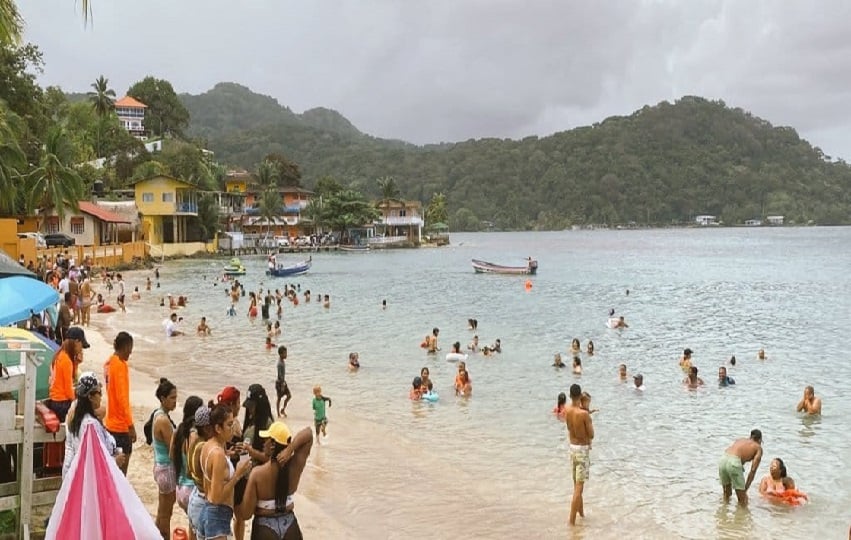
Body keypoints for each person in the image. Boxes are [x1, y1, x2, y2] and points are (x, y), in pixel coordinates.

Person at [237, 421, 314, 540]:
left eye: (266, 439)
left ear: (273, 445)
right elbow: (309, 434)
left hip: (264, 529)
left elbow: (245, 514)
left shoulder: (257, 473)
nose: (263, 443)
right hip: (290, 524)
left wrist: (238, 477)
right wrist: (290, 449)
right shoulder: (295, 465)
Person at [197, 404, 253, 540]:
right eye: (229, 425)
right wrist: (238, 474)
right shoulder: (218, 455)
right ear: (218, 428)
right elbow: (217, 498)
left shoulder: (208, 446)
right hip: (217, 516)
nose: (233, 429)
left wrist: (228, 454)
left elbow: (208, 483)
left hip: (207, 511)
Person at [62, 373, 126, 477]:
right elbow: (93, 459)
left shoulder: (77, 415)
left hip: (74, 471)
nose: (101, 396)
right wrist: (114, 462)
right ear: (90, 397)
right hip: (88, 477)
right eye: (99, 392)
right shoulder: (90, 424)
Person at [171, 395, 203, 540]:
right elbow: (194, 465)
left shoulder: (178, 430)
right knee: (197, 531)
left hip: (180, 488)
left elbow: (172, 456)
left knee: (192, 527)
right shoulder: (194, 435)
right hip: (191, 489)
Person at [105, 331, 136, 475]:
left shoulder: (109, 363)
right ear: (125, 347)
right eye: (130, 349)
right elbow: (123, 399)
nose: (130, 353)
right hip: (120, 426)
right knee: (121, 472)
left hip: (110, 423)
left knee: (112, 469)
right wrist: (130, 425)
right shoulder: (120, 366)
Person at [564, 384, 594, 526]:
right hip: (582, 450)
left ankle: (581, 514)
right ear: (580, 395)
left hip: (572, 448)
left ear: (570, 396)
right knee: (579, 487)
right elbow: (592, 434)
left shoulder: (567, 410)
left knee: (576, 484)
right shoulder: (584, 414)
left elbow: (571, 427)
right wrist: (587, 409)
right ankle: (571, 521)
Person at [152, 378, 178, 539]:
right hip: (167, 469)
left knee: (162, 511)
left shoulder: (158, 414)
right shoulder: (163, 421)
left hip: (160, 465)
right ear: (163, 399)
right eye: (172, 398)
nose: (175, 401)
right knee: (166, 513)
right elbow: (173, 451)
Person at [47, 327, 90, 421]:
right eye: (81, 346)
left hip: (55, 401)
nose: (81, 349)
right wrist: (79, 401)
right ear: (77, 342)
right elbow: (68, 391)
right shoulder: (66, 361)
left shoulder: (59, 355)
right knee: (93, 409)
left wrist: (76, 363)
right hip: (62, 404)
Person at [719, 429, 763, 506]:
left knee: (726, 494)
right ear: (759, 440)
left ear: (750, 436)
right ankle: (741, 517)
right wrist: (745, 489)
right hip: (734, 462)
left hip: (723, 459)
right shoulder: (758, 447)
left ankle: (723, 514)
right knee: (743, 500)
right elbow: (753, 470)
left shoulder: (741, 440)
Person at [276, 346, 292, 417]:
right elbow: (279, 375)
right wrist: (282, 384)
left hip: (283, 382)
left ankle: (283, 410)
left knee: (289, 396)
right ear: (281, 354)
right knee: (279, 398)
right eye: (285, 353)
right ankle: (278, 414)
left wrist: (284, 383)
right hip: (280, 383)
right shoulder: (280, 364)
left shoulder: (283, 361)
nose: (286, 355)